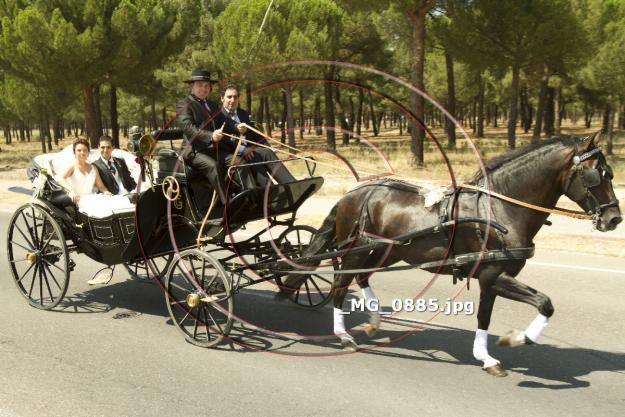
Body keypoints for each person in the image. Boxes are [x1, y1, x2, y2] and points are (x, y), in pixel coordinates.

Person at [175, 69, 237, 203]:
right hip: (193, 151)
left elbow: (226, 122)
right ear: (192, 86)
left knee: (237, 161)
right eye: (200, 85)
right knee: (213, 166)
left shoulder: (213, 105)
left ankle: (248, 196)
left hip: (213, 150)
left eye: (207, 85)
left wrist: (238, 126)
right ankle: (227, 203)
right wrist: (211, 136)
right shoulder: (184, 104)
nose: (204, 89)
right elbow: (188, 128)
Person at [219, 84, 296, 187]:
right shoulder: (218, 116)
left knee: (267, 152)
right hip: (232, 153)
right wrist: (243, 149)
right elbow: (223, 138)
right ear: (222, 98)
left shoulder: (243, 114)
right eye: (229, 97)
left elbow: (254, 133)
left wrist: (267, 145)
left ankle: (292, 184)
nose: (232, 100)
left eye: (235, 97)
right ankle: (271, 192)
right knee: (254, 157)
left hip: (249, 150)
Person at [59, 138, 135, 218]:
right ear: (74, 152)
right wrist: (72, 191)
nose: (82, 153)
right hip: (79, 199)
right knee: (102, 211)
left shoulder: (93, 168)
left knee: (117, 203)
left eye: (85, 150)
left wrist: (106, 193)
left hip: (92, 196)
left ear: (88, 152)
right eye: (79, 150)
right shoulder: (72, 166)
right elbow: (60, 178)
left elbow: (101, 186)